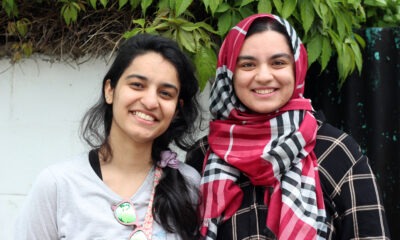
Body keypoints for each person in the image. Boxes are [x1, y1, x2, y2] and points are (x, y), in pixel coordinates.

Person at [186, 13, 390, 239]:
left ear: (298, 68)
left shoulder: (337, 152)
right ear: (229, 74)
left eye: (279, 63)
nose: (263, 76)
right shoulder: (202, 156)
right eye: (247, 64)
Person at [15, 34, 202, 240]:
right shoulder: (58, 186)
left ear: (176, 109)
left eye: (165, 93)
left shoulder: (190, 185)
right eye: (137, 85)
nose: (150, 102)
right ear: (109, 90)